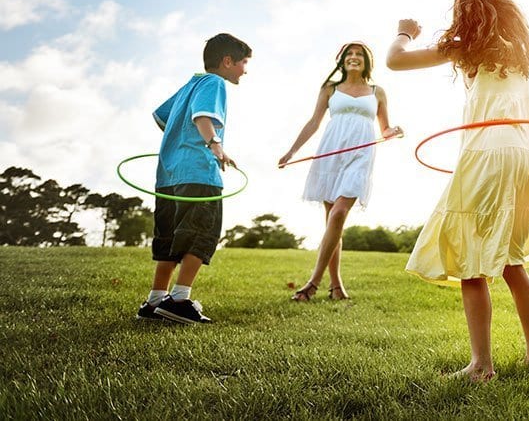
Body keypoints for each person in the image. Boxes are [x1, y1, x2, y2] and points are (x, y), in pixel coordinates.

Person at [386, 0, 529, 382]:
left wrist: (404, 31)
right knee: (511, 259)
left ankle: (481, 366)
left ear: (465, 12)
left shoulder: (463, 46)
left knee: (472, 259)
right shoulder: (523, 53)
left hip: (492, 150)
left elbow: (395, 62)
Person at [136, 33, 251, 324]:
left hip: (168, 174)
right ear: (228, 61)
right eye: (243, 63)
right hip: (199, 172)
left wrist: (180, 145)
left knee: (169, 237)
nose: (245, 70)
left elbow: (162, 117)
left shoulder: (190, 84)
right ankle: (179, 299)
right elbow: (203, 117)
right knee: (201, 233)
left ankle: (154, 302)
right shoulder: (214, 83)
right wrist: (216, 146)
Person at [279, 42, 402, 301]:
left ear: (367, 61)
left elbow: (385, 129)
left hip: (361, 155)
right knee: (333, 222)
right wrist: (292, 151)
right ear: (342, 60)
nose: (354, 57)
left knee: (338, 213)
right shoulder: (330, 89)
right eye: (349, 54)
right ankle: (336, 287)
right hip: (331, 153)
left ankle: (313, 282)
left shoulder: (377, 91)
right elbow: (314, 122)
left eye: (359, 54)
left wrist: (394, 132)